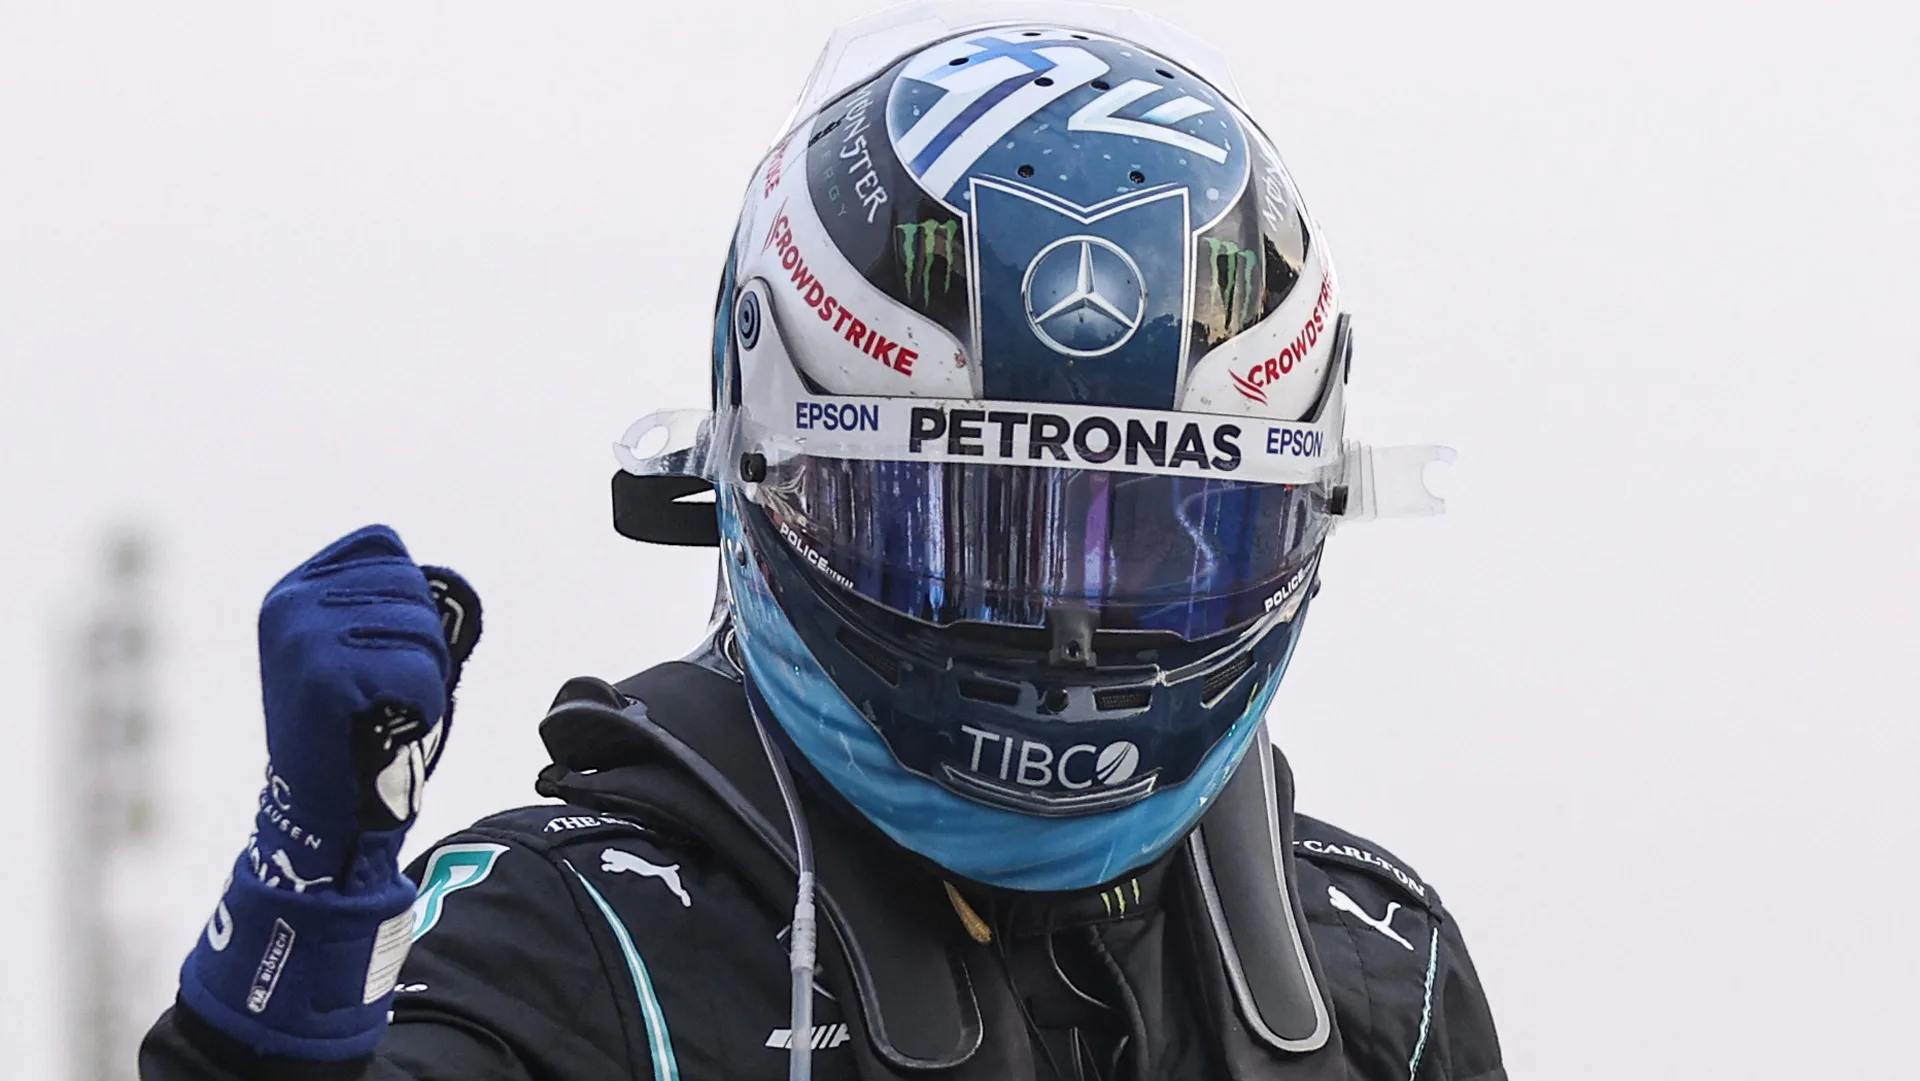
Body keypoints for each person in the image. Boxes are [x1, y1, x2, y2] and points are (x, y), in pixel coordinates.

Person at [139, 4, 1504, 1079]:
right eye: (967, 528)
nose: (1065, 628)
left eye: (1153, 536)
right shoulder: (580, 942)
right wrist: (293, 944)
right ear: (753, 463)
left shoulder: (1378, 969)